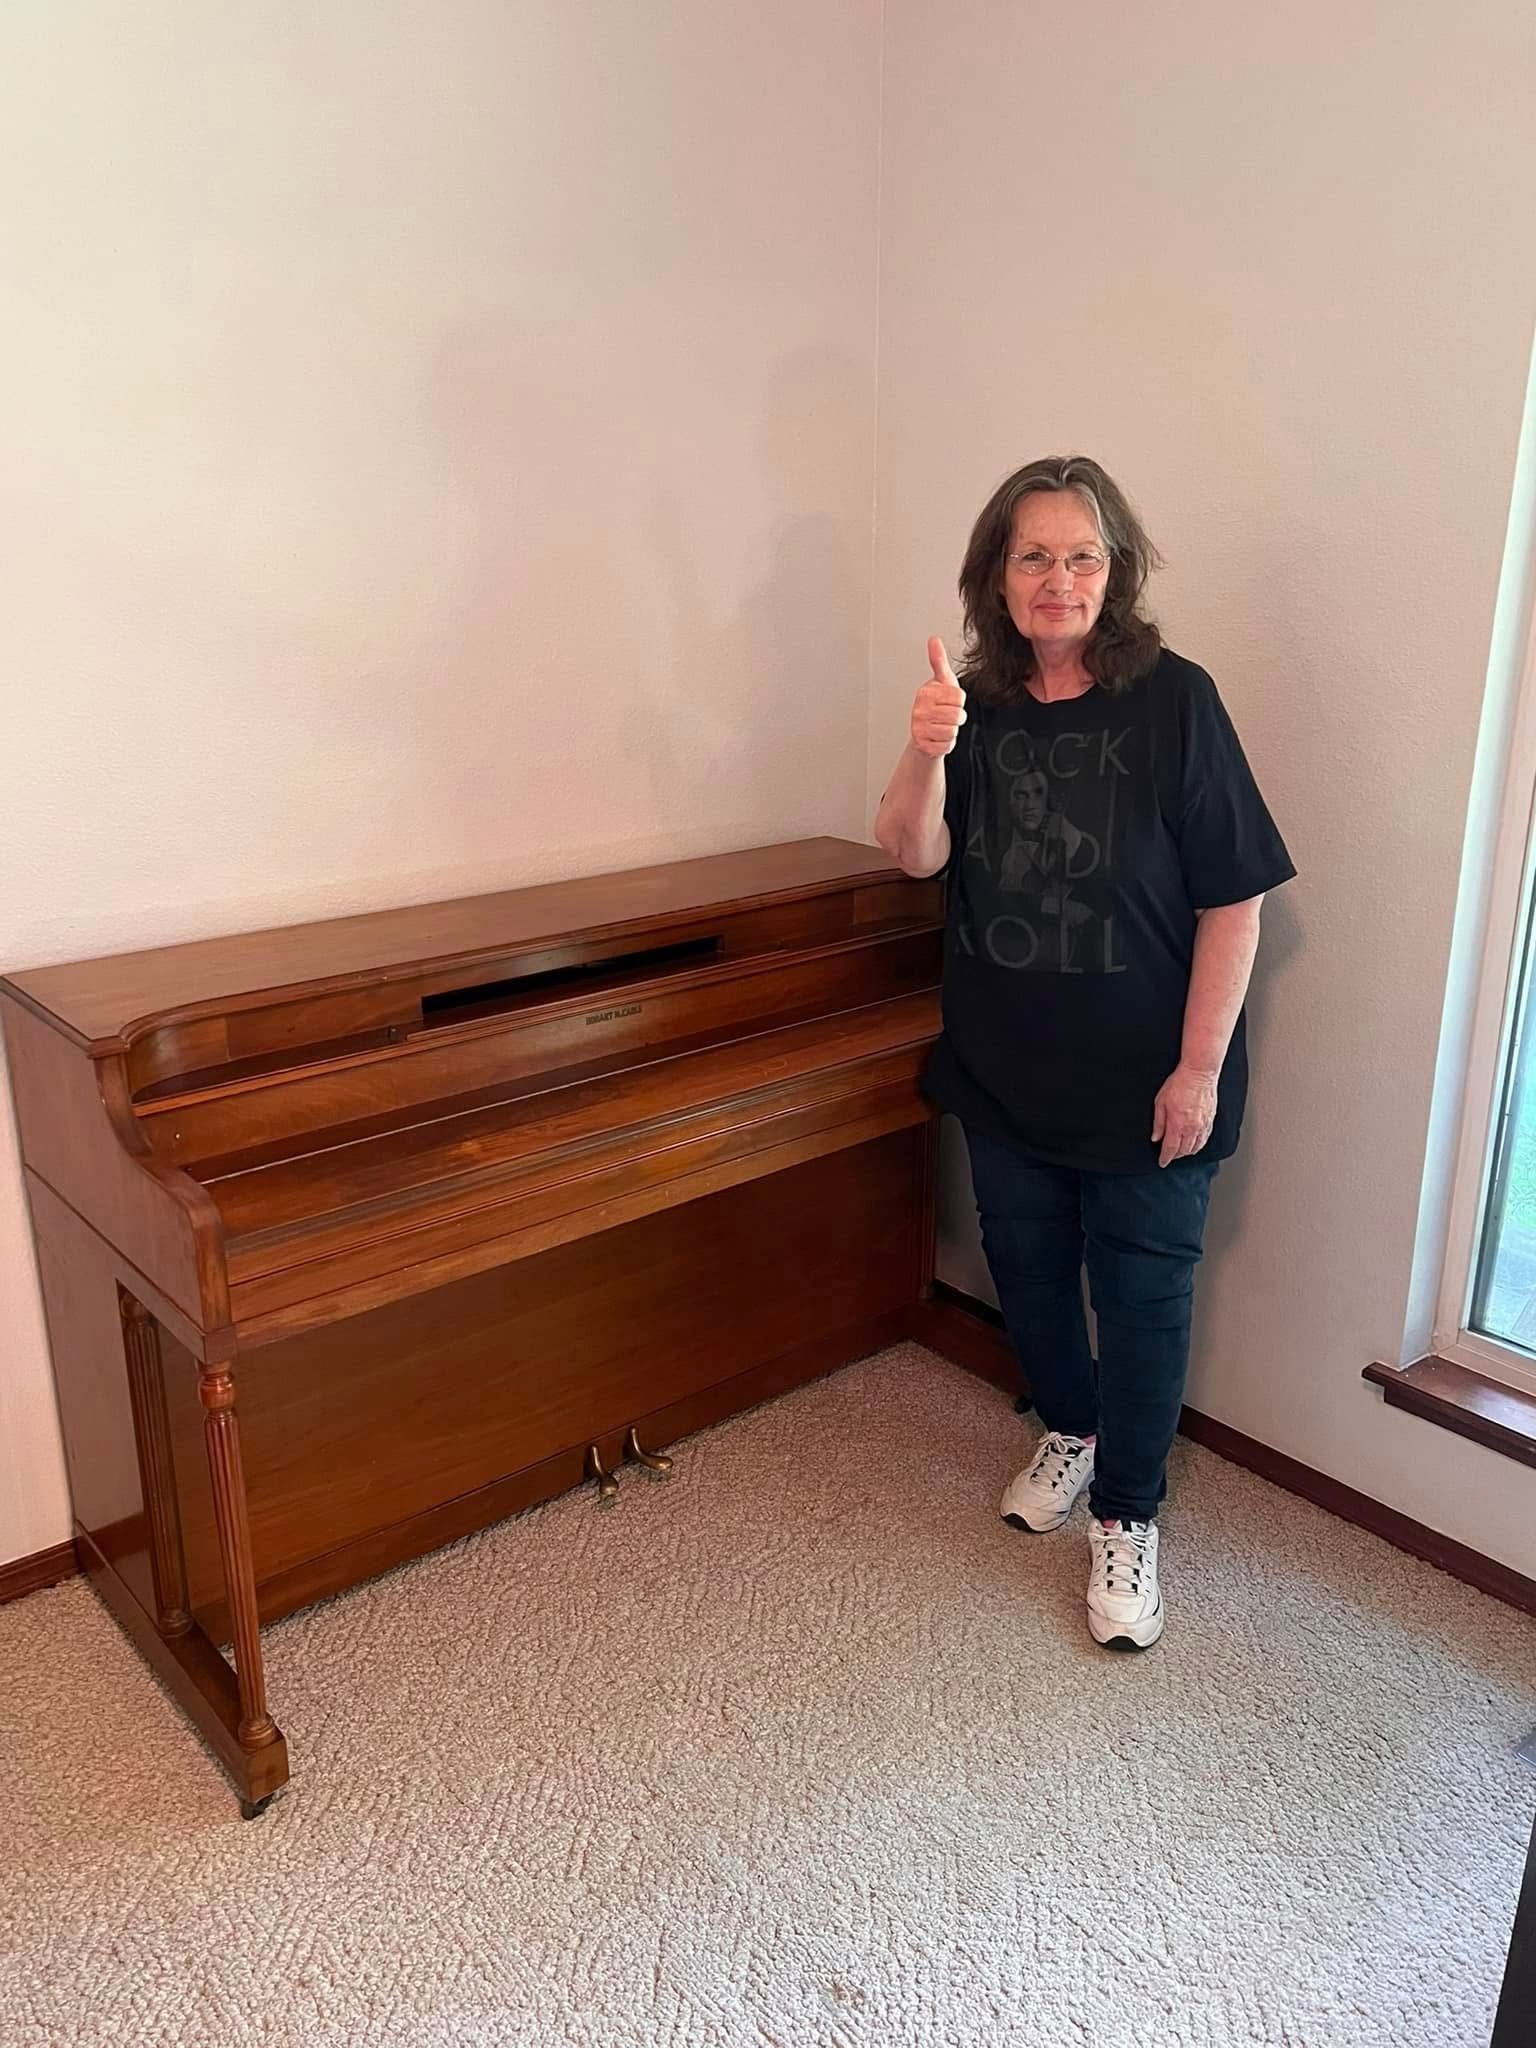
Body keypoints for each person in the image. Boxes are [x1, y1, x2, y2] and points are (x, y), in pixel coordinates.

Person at [874, 455, 1295, 1652]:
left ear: (1115, 573)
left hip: (1150, 1080)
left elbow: (1236, 900)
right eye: (1033, 556)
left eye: (1082, 555)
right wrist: (924, 748)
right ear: (995, 576)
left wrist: (1198, 1068)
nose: (1059, 578)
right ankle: (1072, 1423)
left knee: (1145, 1294)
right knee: (1029, 1268)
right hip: (1006, 1065)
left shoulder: (1176, 699)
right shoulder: (973, 703)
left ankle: (1129, 1513)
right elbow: (912, 854)